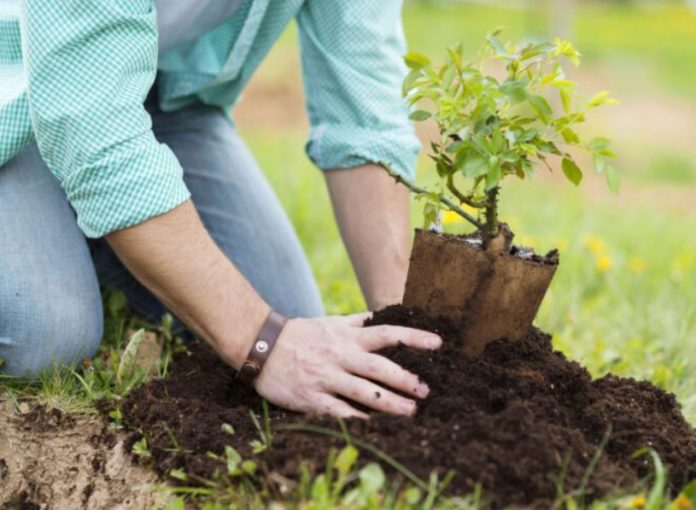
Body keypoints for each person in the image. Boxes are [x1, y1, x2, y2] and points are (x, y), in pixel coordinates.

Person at [0, 0, 442, 419]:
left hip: (163, 97)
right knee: (47, 338)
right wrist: (263, 345)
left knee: (290, 315)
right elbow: (92, 125)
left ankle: (91, 224)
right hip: (17, 82)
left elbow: (365, 110)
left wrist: (401, 333)